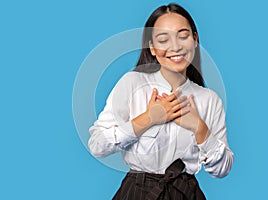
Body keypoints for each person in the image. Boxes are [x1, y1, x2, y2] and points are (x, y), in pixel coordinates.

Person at [88, 3, 234, 200]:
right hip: (138, 192)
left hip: (186, 194)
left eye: (183, 36)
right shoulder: (132, 83)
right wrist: (147, 119)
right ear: (153, 48)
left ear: (195, 40)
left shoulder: (209, 100)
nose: (175, 47)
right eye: (163, 39)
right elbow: (97, 145)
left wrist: (199, 128)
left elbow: (222, 169)